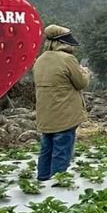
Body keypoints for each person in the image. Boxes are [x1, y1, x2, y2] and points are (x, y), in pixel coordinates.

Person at [32, 25, 91, 181]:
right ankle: (57, 183)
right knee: (61, 151)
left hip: (45, 114)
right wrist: (85, 72)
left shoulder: (39, 60)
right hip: (65, 115)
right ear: (62, 43)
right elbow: (81, 83)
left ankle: (43, 180)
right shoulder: (68, 59)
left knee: (46, 149)